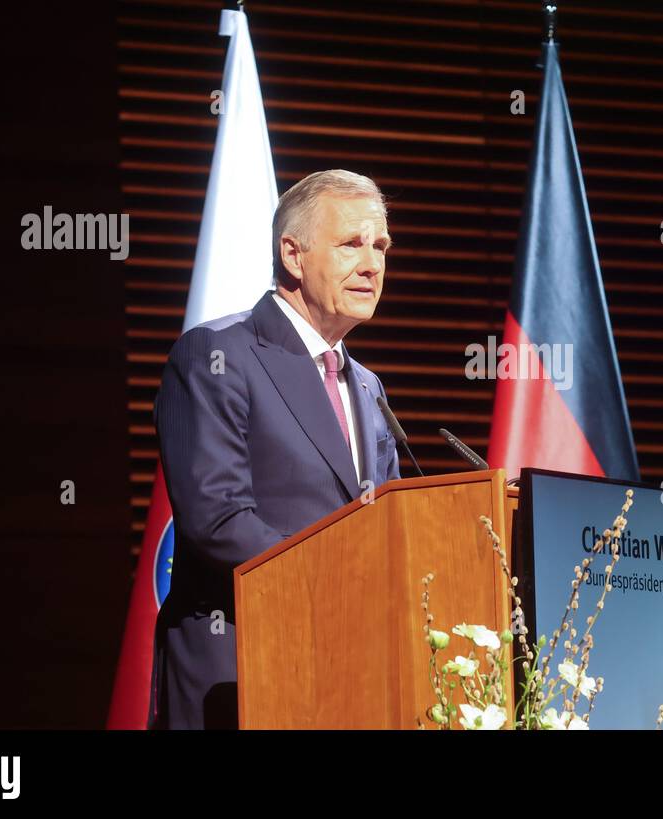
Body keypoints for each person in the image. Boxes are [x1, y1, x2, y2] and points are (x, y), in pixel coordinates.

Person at [149, 170, 400, 729]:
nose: (372, 264)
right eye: (351, 244)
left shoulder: (367, 387)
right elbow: (217, 520)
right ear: (293, 253)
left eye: (380, 246)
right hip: (240, 670)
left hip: (349, 676)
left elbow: (388, 529)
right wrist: (342, 582)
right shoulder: (216, 356)